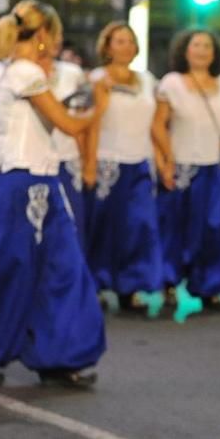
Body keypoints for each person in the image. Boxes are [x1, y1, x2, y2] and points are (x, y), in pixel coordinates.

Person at [0, 0, 108, 387]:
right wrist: (98, 108)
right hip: (25, 183)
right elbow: (70, 125)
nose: (56, 43)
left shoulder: (4, 71)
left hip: (24, 180)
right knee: (19, 271)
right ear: (41, 36)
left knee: (54, 269)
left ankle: (53, 355)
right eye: (54, 36)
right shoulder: (27, 72)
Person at [152, 30, 220, 306]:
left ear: (214, 53)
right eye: (196, 45)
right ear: (185, 51)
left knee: (216, 228)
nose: (202, 50)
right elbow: (158, 125)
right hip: (182, 167)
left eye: (208, 46)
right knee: (174, 227)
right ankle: (168, 281)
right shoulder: (171, 83)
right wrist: (166, 161)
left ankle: (212, 285)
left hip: (215, 168)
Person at [85, 22, 165, 310]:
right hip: (108, 162)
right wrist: (89, 164)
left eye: (130, 41)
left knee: (139, 226)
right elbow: (90, 123)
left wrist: (165, 159)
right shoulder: (96, 78)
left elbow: (155, 125)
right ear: (106, 46)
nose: (126, 46)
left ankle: (130, 286)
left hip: (140, 161)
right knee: (103, 227)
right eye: (119, 41)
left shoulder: (147, 80)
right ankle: (96, 283)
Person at [42, 39, 90, 247]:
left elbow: (79, 122)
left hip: (67, 158)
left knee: (71, 226)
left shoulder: (72, 73)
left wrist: (87, 160)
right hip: (32, 161)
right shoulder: (18, 72)